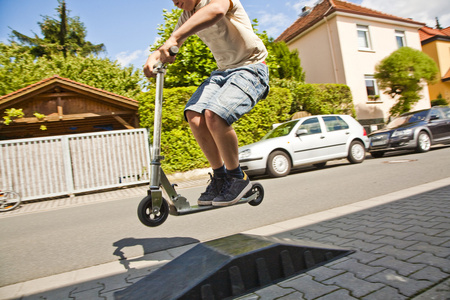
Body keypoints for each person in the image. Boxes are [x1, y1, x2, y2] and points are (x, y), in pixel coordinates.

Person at [143, 0, 269, 207]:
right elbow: (168, 45)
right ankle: (220, 177)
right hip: (223, 72)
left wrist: (176, 37)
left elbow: (217, 11)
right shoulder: (187, 14)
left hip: (252, 67)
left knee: (215, 115)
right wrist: (154, 56)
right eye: (172, 2)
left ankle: (238, 178)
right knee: (194, 114)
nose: (176, 4)